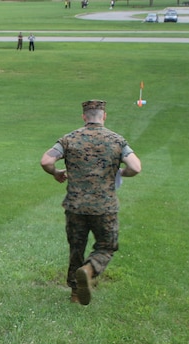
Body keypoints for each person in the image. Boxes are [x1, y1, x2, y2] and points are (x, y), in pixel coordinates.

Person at [40, 100, 142, 305]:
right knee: (106, 246)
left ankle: (76, 294)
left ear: (84, 117)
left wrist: (56, 173)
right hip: (105, 207)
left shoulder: (69, 139)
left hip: (75, 206)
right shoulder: (116, 140)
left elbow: (46, 161)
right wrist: (121, 172)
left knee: (76, 248)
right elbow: (136, 167)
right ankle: (89, 269)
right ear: (104, 116)